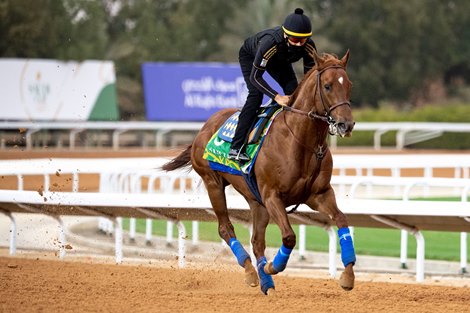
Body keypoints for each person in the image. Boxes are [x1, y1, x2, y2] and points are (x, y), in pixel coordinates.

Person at [228, 8, 317, 162]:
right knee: (256, 96)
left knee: (296, 96)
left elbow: (309, 78)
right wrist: (276, 97)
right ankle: (236, 147)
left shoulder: (309, 45)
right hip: (252, 57)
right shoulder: (270, 43)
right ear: (286, 35)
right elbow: (255, 77)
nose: (298, 45)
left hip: (280, 62)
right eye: (294, 40)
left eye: (302, 41)